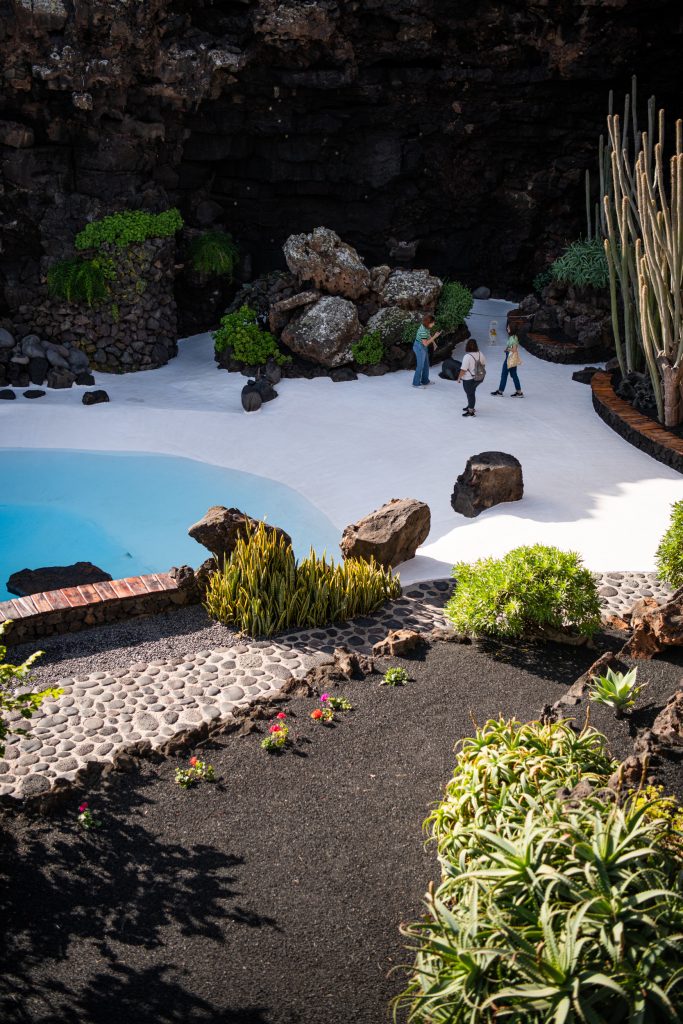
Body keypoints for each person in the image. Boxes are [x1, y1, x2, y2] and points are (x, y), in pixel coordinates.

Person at [491, 326, 523, 396]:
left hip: (509, 358)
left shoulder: (512, 338)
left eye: (508, 328)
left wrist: (508, 350)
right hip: (513, 359)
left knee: (504, 374)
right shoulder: (514, 337)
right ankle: (519, 392)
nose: (507, 328)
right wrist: (507, 349)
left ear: (511, 329)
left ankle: (500, 391)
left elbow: (514, 349)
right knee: (514, 375)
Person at [458, 339, 486, 416]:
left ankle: (471, 411)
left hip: (469, 379)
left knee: (470, 393)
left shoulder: (467, 356)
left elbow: (463, 369)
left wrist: (459, 378)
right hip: (479, 378)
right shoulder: (481, 353)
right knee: (471, 392)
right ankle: (470, 405)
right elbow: (483, 365)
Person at [412, 314, 442, 388]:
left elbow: (428, 335)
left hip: (422, 347)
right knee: (420, 366)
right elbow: (425, 343)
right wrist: (435, 337)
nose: (434, 324)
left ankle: (425, 381)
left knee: (426, 364)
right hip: (419, 347)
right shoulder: (423, 330)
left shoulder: (426, 327)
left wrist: (434, 343)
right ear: (428, 323)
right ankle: (416, 383)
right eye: (433, 323)